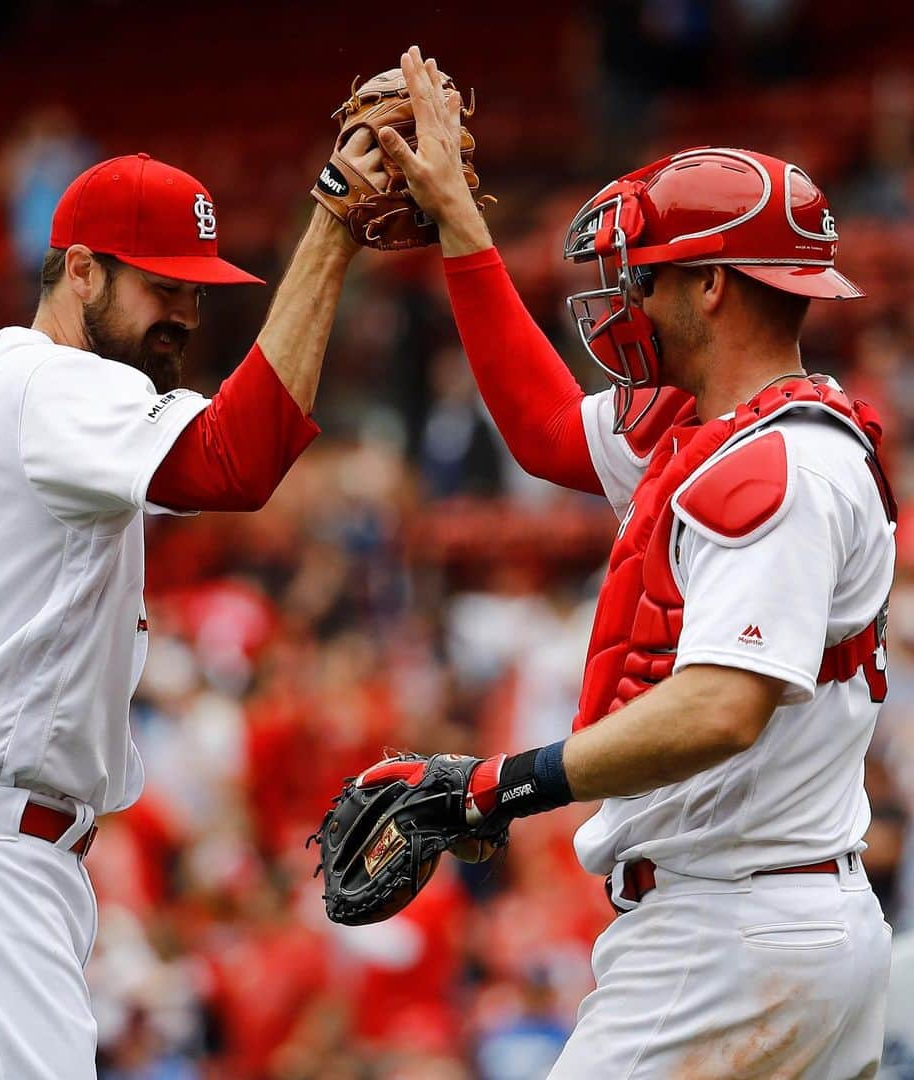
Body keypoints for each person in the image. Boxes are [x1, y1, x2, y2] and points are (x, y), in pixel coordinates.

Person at [355, 46, 896, 1076]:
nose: (624, 299)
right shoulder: (712, 429)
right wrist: (461, 226)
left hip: (728, 940)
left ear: (712, 287)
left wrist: (495, 787)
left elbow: (718, 709)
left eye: (643, 276)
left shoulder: (778, 467)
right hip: (777, 918)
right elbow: (546, 426)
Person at [0, 137, 381, 1079]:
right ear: (80, 271)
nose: (185, 313)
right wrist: (331, 224)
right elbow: (234, 463)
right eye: (161, 286)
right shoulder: (59, 384)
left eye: (197, 290)